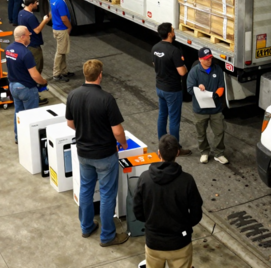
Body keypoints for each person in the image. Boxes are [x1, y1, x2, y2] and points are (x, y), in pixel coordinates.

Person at [65, 59, 130, 247]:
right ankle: (108, 236)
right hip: (105, 155)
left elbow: (70, 123)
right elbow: (117, 131)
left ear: (85, 74)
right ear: (100, 75)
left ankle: (86, 227)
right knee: (107, 194)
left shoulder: (73, 95)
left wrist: (85, 130)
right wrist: (123, 143)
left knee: (85, 189)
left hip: (83, 153)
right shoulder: (106, 99)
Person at [133, 134, 203, 268]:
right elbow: (196, 213)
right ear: (177, 153)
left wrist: (151, 223)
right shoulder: (187, 180)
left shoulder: (145, 178)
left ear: (158, 153)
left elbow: (137, 210)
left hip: (154, 242)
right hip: (180, 242)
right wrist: (184, 226)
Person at [151, 22, 191, 156]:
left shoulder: (155, 48)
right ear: (169, 34)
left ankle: (162, 145)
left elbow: (154, 64)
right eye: (173, 30)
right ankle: (175, 149)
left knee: (162, 115)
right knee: (174, 119)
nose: (174, 32)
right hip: (172, 90)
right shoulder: (174, 51)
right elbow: (182, 72)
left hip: (160, 87)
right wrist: (184, 66)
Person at [6, 26, 49, 143]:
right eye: (28, 35)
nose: (30, 37)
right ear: (23, 37)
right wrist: (44, 82)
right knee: (32, 116)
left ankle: (18, 138)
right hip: (26, 88)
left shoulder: (9, 49)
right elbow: (35, 75)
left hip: (13, 86)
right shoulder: (26, 53)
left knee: (18, 114)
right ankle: (32, 142)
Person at [187, 47, 228, 164]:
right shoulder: (194, 72)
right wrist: (198, 88)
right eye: (206, 59)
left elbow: (221, 86)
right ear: (200, 59)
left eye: (210, 58)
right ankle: (204, 152)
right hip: (200, 110)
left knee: (220, 131)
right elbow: (189, 89)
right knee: (201, 133)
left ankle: (219, 153)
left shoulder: (217, 69)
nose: (209, 60)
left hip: (216, 109)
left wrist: (215, 95)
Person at [18, 0, 51, 73]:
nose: (37, 4)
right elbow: (37, 30)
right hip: (33, 45)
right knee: (37, 67)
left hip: (26, 44)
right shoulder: (30, 17)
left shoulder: (21, 13)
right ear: (31, 4)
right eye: (36, 2)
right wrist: (44, 20)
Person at [50, 0, 74, 82]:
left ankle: (64, 71)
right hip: (61, 29)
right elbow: (64, 18)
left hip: (56, 28)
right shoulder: (60, 2)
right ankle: (56, 74)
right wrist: (69, 26)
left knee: (62, 50)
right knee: (60, 52)